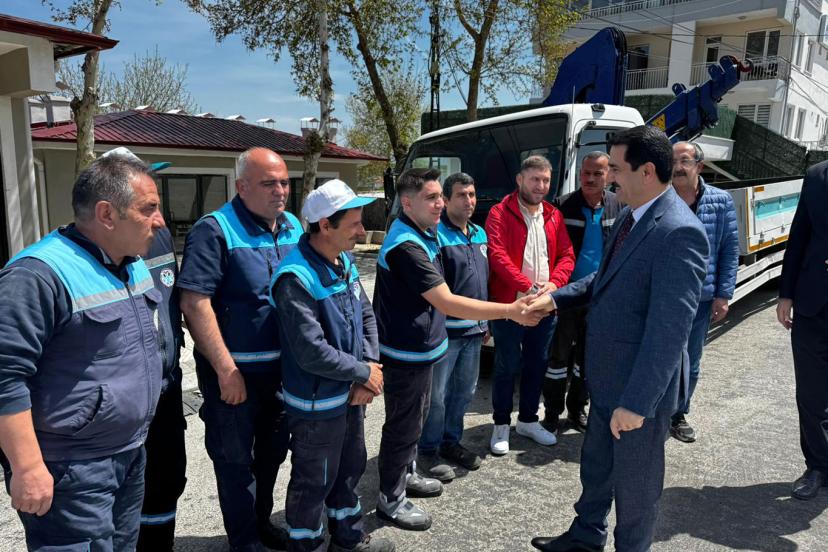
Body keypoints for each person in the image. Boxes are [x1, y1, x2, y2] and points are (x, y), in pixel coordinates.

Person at [525, 125, 708, 552]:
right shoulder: (630, 215)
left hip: (638, 392)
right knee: (597, 468)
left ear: (647, 172)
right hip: (607, 379)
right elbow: (602, 280)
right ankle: (586, 536)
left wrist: (637, 404)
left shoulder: (679, 232)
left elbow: (669, 332)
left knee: (636, 488)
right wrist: (553, 300)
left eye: (617, 169)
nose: (608, 179)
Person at [0, 155, 166, 551]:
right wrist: (27, 467)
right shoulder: (37, 275)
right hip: (70, 468)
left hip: (127, 453)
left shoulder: (131, 263)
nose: (160, 221)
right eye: (148, 209)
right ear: (107, 214)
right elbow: (5, 375)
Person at [373, 167, 543, 531]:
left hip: (423, 349)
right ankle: (391, 500)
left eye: (439, 196)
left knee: (415, 420)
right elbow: (447, 301)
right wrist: (510, 311)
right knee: (403, 426)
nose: (440, 204)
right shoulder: (406, 245)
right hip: (405, 355)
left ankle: (406, 474)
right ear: (407, 203)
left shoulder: (423, 233)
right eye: (431, 198)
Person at [178, 147, 300, 551]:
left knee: (271, 455)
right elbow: (195, 303)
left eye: (284, 182)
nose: (280, 191)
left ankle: (261, 524)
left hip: (281, 373)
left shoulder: (292, 226)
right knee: (234, 462)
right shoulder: (214, 230)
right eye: (269, 184)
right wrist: (225, 369)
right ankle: (245, 542)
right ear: (242, 186)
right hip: (234, 375)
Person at [271, 179, 394, 552]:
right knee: (315, 479)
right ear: (325, 225)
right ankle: (306, 544)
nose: (362, 230)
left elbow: (366, 314)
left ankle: (348, 537)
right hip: (317, 403)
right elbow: (311, 351)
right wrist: (363, 373)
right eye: (354, 224)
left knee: (350, 467)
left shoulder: (344, 261)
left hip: (350, 392)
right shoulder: (295, 278)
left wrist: (368, 366)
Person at [98, 147, 188, 551]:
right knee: (125, 494)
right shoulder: (83, 258)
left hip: (166, 386)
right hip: (124, 399)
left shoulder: (160, 236)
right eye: (144, 203)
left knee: (168, 478)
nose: (158, 215)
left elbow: (171, 298)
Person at [485, 155, 576, 455]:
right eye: (535, 179)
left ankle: (527, 420)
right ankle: (501, 424)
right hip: (510, 306)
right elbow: (497, 255)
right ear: (520, 179)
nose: (541, 186)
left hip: (545, 305)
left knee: (537, 365)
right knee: (506, 365)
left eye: (546, 180)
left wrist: (554, 285)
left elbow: (566, 255)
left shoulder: (553, 215)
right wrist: (527, 286)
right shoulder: (499, 212)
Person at [542, 152, 621, 434]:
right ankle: (552, 413)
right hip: (567, 296)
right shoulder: (562, 205)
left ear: (609, 175)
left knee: (587, 359)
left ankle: (577, 409)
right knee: (558, 357)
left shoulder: (619, 205)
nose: (590, 178)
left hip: (601, 297)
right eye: (586, 173)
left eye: (597, 173)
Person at [417, 173, 489, 482]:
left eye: (472, 194)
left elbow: (484, 281)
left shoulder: (479, 233)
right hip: (447, 333)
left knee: (464, 392)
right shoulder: (436, 236)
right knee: (437, 396)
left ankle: (451, 442)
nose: (469, 201)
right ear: (446, 199)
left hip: (474, 331)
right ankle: (428, 450)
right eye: (461, 195)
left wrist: (485, 322)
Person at [670, 141, 739, 443]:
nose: (677, 167)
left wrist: (724, 294)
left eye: (684, 161)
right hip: (664, 295)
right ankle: (655, 410)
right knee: (659, 355)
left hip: (700, 298)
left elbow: (729, 249)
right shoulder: (660, 197)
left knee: (691, 360)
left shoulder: (720, 201)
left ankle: (678, 414)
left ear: (699, 165)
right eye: (673, 161)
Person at [777, 159, 828, 500]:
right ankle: (818, 466)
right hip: (813, 302)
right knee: (810, 394)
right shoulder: (816, 175)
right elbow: (799, 237)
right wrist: (786, 294)